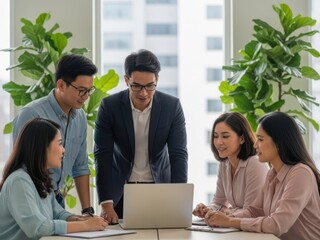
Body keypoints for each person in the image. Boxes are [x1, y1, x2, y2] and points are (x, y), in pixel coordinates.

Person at [94, 49, 188, 223]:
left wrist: (179, 200)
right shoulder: (109, 107)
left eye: (150, 86)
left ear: (157, 80)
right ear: (126, 80)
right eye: (136, 86)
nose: (143, 93)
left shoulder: (171, 106)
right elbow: (102, 155)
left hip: (160, 189)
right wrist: (106, 204)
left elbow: (178, 155)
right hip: (120, 193)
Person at [205, 112, 320, 240]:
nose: (255, 145)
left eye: (260, 139)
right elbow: (254, 211)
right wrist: (226, 218)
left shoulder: (301, 173)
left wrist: (230, 222)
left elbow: (277, 224)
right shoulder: (272, 173)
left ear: (278, 143)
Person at [12, 54, 97, 215]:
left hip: (57, 199)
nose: (85, 97)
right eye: (81, 90)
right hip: (32, 199)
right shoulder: (31, 114)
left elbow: (80, 167)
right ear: (61, 84)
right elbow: (21, 168)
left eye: (89, 91)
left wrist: (87, 211)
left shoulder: (80, 117)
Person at [0, 118, 108, 239]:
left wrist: (83, 218)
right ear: (42, 147)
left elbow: (58, 213)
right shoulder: (19, 181)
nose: (63, 150)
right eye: (60, 143)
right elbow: (37, 228)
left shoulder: (39, 177)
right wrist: (85, 225)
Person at [193, 112, 269, 218]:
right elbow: (219, 203)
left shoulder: (255, 164)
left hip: (257, 231)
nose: (219, 142)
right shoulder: (224, 164)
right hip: (238, 229)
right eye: (215, 136)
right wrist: (207, 210)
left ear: (242, 139)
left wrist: (227, 213)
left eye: (225, 136)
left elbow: (252, 213)